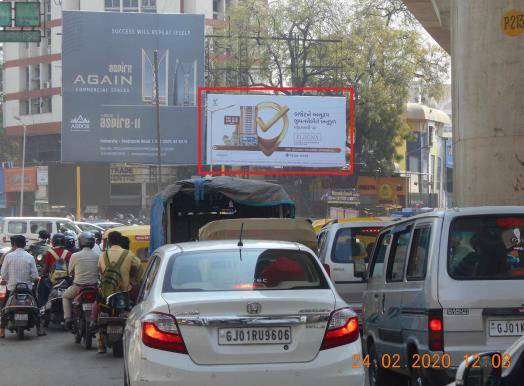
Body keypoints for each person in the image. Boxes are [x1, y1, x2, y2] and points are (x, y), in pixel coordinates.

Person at [94, 231, 140, 353]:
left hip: (106, 294)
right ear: (120, 241)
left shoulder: (102, 255)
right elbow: (135, 270)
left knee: (99, 309)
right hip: (124, 294)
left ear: (109, 242)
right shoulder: (129, 254)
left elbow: (100, 272)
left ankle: (101, 343)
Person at [0, 235, 45, 338]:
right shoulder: (29, 257)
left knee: (4, 308)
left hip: (12, 288)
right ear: (24, 244)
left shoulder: (8, 256)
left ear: (14, 244)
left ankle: (1, 330)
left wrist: (7, 280)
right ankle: (39, 329)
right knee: (36, 307)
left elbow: (4, 274)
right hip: (27, 289)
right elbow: (34, 276)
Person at [62, 232, 99, 329]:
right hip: (94, 287)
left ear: (80, 242)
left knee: (65, 296)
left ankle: (68, 318)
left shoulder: (75, 255)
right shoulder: (97, 256)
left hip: (78, 287)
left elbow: (70, 272)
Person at [37, 233, 72, 307]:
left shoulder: (49, 253)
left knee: (42, 289)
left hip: (52, 280)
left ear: (53, 242)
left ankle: (42, 306)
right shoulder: (68, 253)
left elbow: (45, 268)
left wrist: (41, 274)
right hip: (66, 280)